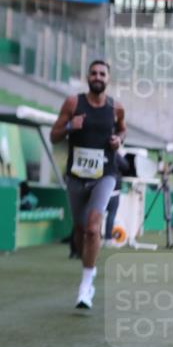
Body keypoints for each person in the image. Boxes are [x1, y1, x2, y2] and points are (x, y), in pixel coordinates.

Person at [50, 60, 126, 312]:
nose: (97, 77)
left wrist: (118, 140)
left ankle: (86, 284)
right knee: (81, 231)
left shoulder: (116, 108)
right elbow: (54, 135)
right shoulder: (73, 103)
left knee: (94, 227)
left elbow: (123, 131)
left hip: (105, 173)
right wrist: (71, 126)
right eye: (93, 73)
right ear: (87, 77)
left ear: (108, 79)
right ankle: (87, 270)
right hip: (76, 175)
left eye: (102, 74)